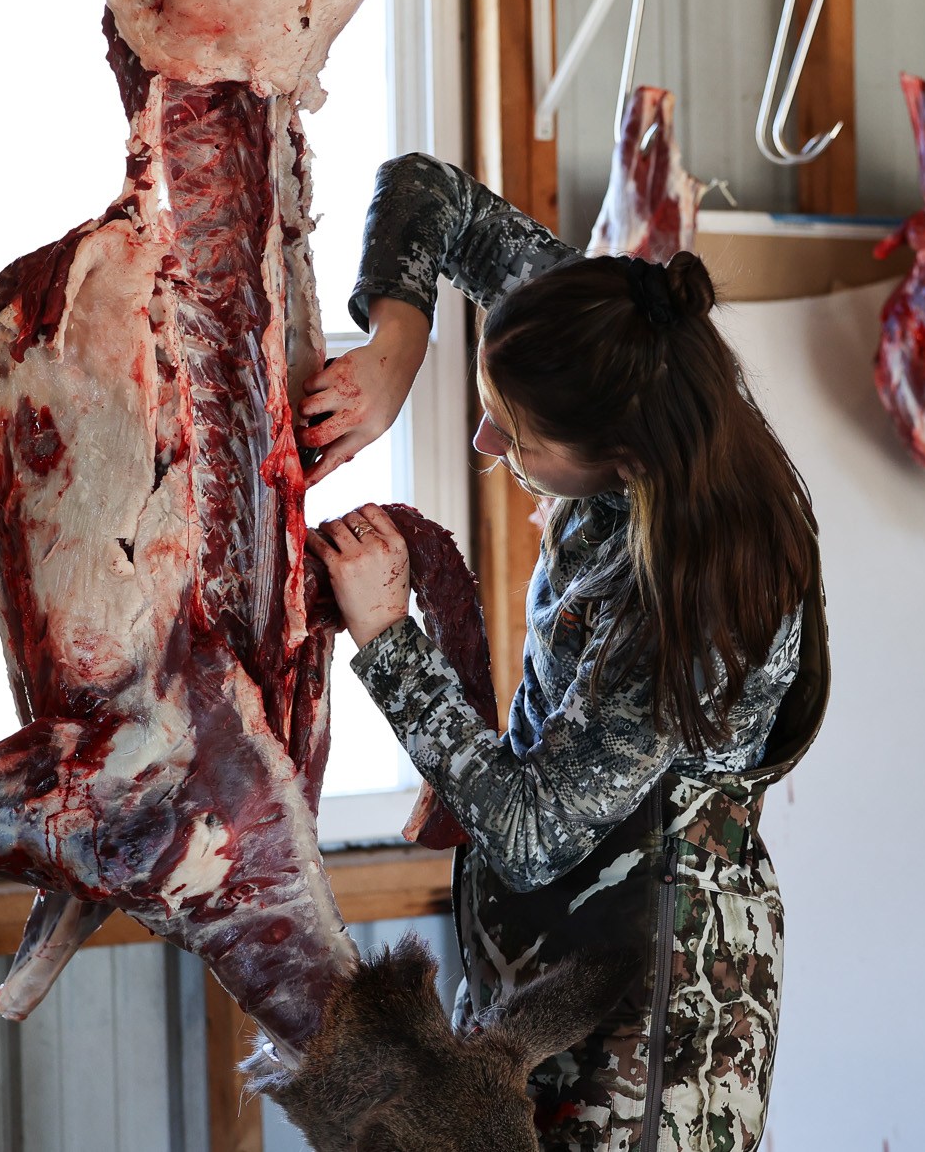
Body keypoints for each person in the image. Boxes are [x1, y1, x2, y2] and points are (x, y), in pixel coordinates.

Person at [299, 153, 829, 1152]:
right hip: (544, 957)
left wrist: (385, 639)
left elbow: (532, 829)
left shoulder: (703, 597)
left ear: (621, 462)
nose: (488, 450)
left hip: (656, 1004)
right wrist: (395, 346)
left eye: (517, 437)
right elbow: (428, 190)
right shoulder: (609, 342)